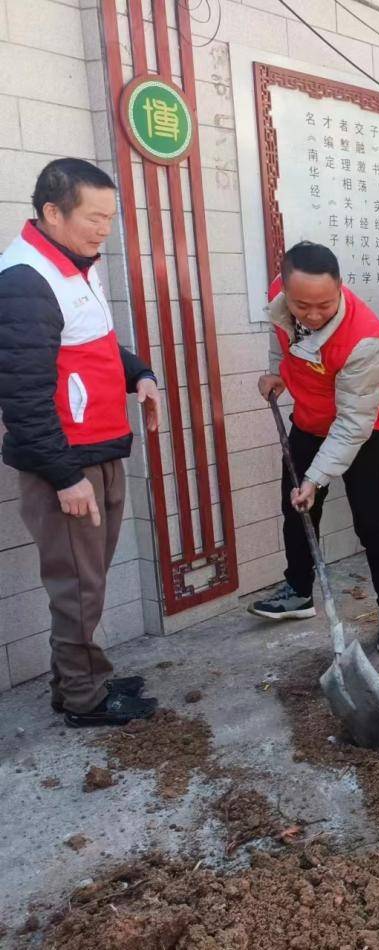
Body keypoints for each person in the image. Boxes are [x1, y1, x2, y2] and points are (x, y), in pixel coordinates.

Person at [0, 158, 161, 727]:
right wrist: (65, 476)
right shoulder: (26, 280)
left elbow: (95, 343)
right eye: (94, 217)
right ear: (51, 212)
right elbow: (21, 398)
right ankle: (84, 700)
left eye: (110, 217)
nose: (104, 229)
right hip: (67, 464)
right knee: (77, 585)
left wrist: (137, 373)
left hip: (98, 449)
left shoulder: (72, 266)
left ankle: (81, 678)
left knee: (87, 580)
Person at [249, 242, 379, 652]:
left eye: (325, 304)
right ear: (285, 292)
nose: (314, 315)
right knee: (297, 508)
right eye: (303, 305)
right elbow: (280, 332)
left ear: (340, 287)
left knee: (371, 521)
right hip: (310, 417)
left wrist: (315, 479)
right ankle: (299, 591)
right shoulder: (281, 300)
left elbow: (353, 424)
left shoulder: (365, 339)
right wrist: (276, 373)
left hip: (362, 426)